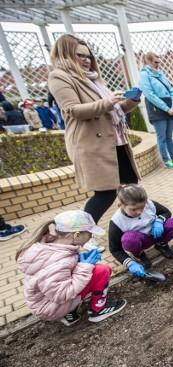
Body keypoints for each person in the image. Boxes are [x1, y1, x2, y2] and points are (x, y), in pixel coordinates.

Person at [48, 34, 142, 252]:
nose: (86, 60)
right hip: (93, 145)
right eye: (80, 56)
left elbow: (113, 111)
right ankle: (82, 235)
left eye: (88, 56)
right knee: (106, 193)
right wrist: (107, 102)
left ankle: (131, 226)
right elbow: (72, 110)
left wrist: (131, 101)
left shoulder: (93, 78)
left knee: (130, 185)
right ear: (66, 55)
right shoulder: (60, 77)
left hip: (115, 141)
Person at [16, 210, 127, 325]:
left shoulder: (52, 246)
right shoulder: (59, 260)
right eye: (90, 234)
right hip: (51, 308)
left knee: (93, 271)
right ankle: (99, 310)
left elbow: (59, 277)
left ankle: (70, 313)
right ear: (76, 235)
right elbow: (62, 294)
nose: (91, 237)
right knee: (102, 270)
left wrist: (78, 261)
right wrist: (84, 267)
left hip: (46, 303)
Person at [108, 184, 173, 278]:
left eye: (142, 208)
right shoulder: (117, 221)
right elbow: (114, 249)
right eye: (133, 209)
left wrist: (159, 221)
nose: (139, 212)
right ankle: (139, 255)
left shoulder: (149, 204)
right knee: (128, 239)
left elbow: (166, 212)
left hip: (157, 234)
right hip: (142, 241)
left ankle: (161, 245)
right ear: (121, 205)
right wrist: (129, 263)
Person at [138, 52, 173, 170]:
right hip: (157, 109)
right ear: (148, 62)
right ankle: (166, 160)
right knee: (162, 138)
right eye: (156, 62)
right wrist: (166, 108)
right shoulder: (144, 75)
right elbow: (150, 94)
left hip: (169, 107)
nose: (158, 65)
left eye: (159, 62)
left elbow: (170, 90)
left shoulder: (160, 74)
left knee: (169, 137)